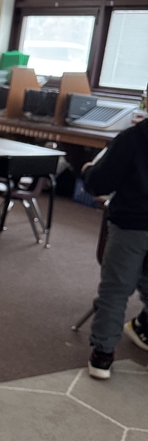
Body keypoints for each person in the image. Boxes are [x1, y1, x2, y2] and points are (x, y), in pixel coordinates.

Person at [83, 117, 148, 379]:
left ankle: (103, 355)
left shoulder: (133, 138)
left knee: (115, 290)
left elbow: (101, 183)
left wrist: (87, 170)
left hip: (131, 226)